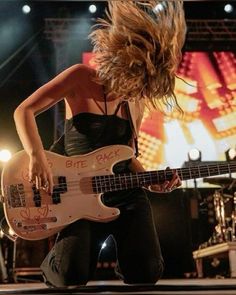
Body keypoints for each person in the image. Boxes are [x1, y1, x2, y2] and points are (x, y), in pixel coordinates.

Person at [13, 0, 186, 288]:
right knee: (70, 275)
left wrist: (150, 181)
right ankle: (61, 258)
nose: (133, 89)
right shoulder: (80, 77)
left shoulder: (136, 101)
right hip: (77, 193)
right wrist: (36, 156)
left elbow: (127, 155)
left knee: (146, 272)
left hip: (124, 194)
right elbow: (24, 111)